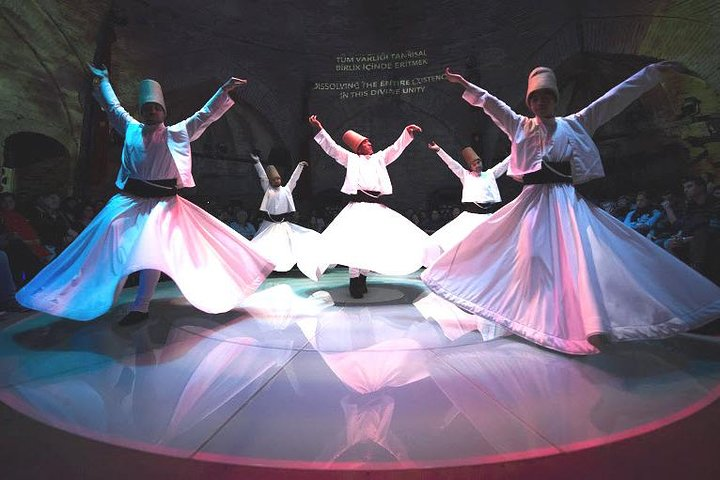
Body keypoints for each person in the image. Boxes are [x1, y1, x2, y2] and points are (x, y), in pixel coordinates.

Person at [422, 62, 720, 355]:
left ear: (554, 99)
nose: (541, 102)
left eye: (546, 96)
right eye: (535, 98)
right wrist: (464, 84)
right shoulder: (520, 126)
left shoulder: (575, 124)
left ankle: (591, 323)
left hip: (565, 201)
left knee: (577, 257)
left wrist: (652, 73)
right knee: (529, 258)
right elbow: (491, 104)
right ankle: (534, 319)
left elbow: (613, 100)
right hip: (534, 202)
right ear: (530, 102)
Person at [16, 64, 274, 324]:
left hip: (163, 204)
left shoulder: (177, 133)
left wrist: (222, 90)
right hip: (130, 201)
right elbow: (114, 108)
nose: (152, 111)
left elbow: (204, 115)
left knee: (151, 249)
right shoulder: (130, 129)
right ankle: (92, 294)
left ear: (163, 111)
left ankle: (140, 306)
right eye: (147, 108)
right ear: (142, 111)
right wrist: (104, 81)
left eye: (156, 107)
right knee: (110, 242)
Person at [308, 114, 428, 298]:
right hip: (358, 207)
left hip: (375, 207)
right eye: (366, 142)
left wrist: (407, 132)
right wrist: (319, 129)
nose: (370, 144)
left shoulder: (379, 158)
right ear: (359, 147)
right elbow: (332, 149)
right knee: (356, 242)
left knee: (371, 242)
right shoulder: (351, 159)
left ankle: (363, 278)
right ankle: (354, 281)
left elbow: (395, 149)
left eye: (369, 142)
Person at [425, 142, 509, 263]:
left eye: (478, 162)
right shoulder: (465, 175)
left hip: (488, 216)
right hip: (472, 216)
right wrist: (439, 150)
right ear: (470, 166)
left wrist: (517, 149)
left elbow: (504, 164)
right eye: (474, 164)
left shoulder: (490, 174)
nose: (477, 165)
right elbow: (452, 163)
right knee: (456, 241)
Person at [250, 153, 320, 279]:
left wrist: (300, 167)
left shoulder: (286, 190)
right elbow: (262, 176)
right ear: (271, 181)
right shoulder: (268, 190)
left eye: (278, 179)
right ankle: (270, 267)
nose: (277, 181)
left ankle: (283, 268)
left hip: (282, 223)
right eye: (274, 180)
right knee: (265, 245)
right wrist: (257, 162)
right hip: (270, 224)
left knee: (284, 246)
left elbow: (294, 180)